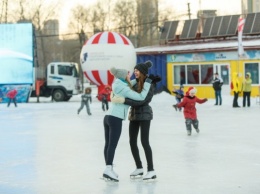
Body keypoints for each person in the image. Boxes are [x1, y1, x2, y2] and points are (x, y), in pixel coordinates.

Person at [102, 66, 153, 182]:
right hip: (115, 118)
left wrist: (145, 78)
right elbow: (140, 97)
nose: (130, 75)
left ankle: (108, 168)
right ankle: (108, 169)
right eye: (128, 74)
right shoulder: (123, 88)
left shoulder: (118, 84)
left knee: (108, 144)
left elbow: (130, 83)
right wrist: (148, 83)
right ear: (124, 76)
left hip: (108, 116)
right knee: (112, 145)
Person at [111, 61, 160, 181]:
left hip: (145, 114)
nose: (135, 72)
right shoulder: (134, 83)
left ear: (142, 72)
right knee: (132, 142)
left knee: (144, 142)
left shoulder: (149, 84)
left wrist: (124, 101)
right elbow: (126, 92)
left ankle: (151, 170)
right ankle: (139, 167)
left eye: (137, 70)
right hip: (133, 114)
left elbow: (142, 101)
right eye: (134, 70)